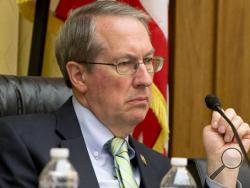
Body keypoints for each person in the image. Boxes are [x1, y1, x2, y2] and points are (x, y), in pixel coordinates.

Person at [0, 1, 249, 188]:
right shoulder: (20, 142)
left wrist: (222, 167)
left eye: (149, 61)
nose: (145, 79)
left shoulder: (162, 168)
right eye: (125, 64)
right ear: (78, 75)